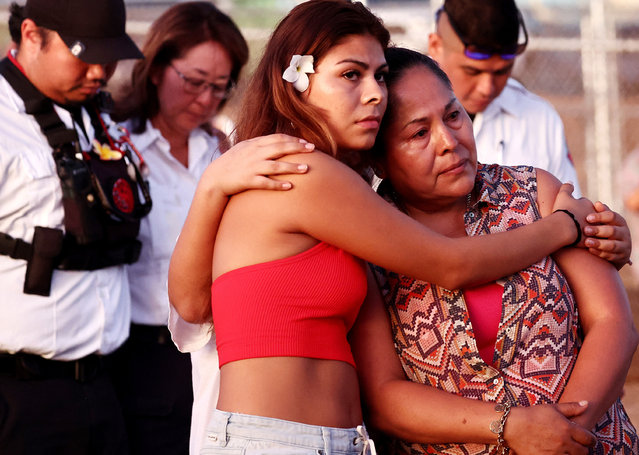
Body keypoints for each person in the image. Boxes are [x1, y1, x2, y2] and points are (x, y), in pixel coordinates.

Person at [168, 1, 608, 453]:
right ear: (296, 81)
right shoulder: (304, 171)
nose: (376, 92)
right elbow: (450, 264)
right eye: (351, 74)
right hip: (282, 441)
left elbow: (191, 303)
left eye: (379, 74)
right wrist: (564, 226)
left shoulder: (311, 179)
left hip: (319, 439)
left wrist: (212, 188)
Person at [350, 47, 638, 454]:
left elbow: (613, 322)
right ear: (378, 159)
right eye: (418, 133)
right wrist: (511, 429)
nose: (450, 142)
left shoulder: (536, 194)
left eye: (453, 115)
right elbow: (383, 396)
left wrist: (566, 436)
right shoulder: (369, 243)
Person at [110, 3, 314, 454]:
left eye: (219, 88)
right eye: (194, 82)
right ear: (157, 68)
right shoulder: (116, 146)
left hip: (217, 358)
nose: (204, 100)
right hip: (143, 354)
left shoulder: (227, 153)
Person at [0, 0, 148, 453]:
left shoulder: (97, 116)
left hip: (106, 389)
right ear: (31, 34)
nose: (100, 72)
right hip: (19, 395)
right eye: (85, 55)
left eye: (110, 57)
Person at [428, 0, 583, 197]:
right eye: (472, 71)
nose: (487, 88)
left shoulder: (539, 117)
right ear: (435, 46)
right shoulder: (397, 110)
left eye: (502, 71)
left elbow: (571, 211)